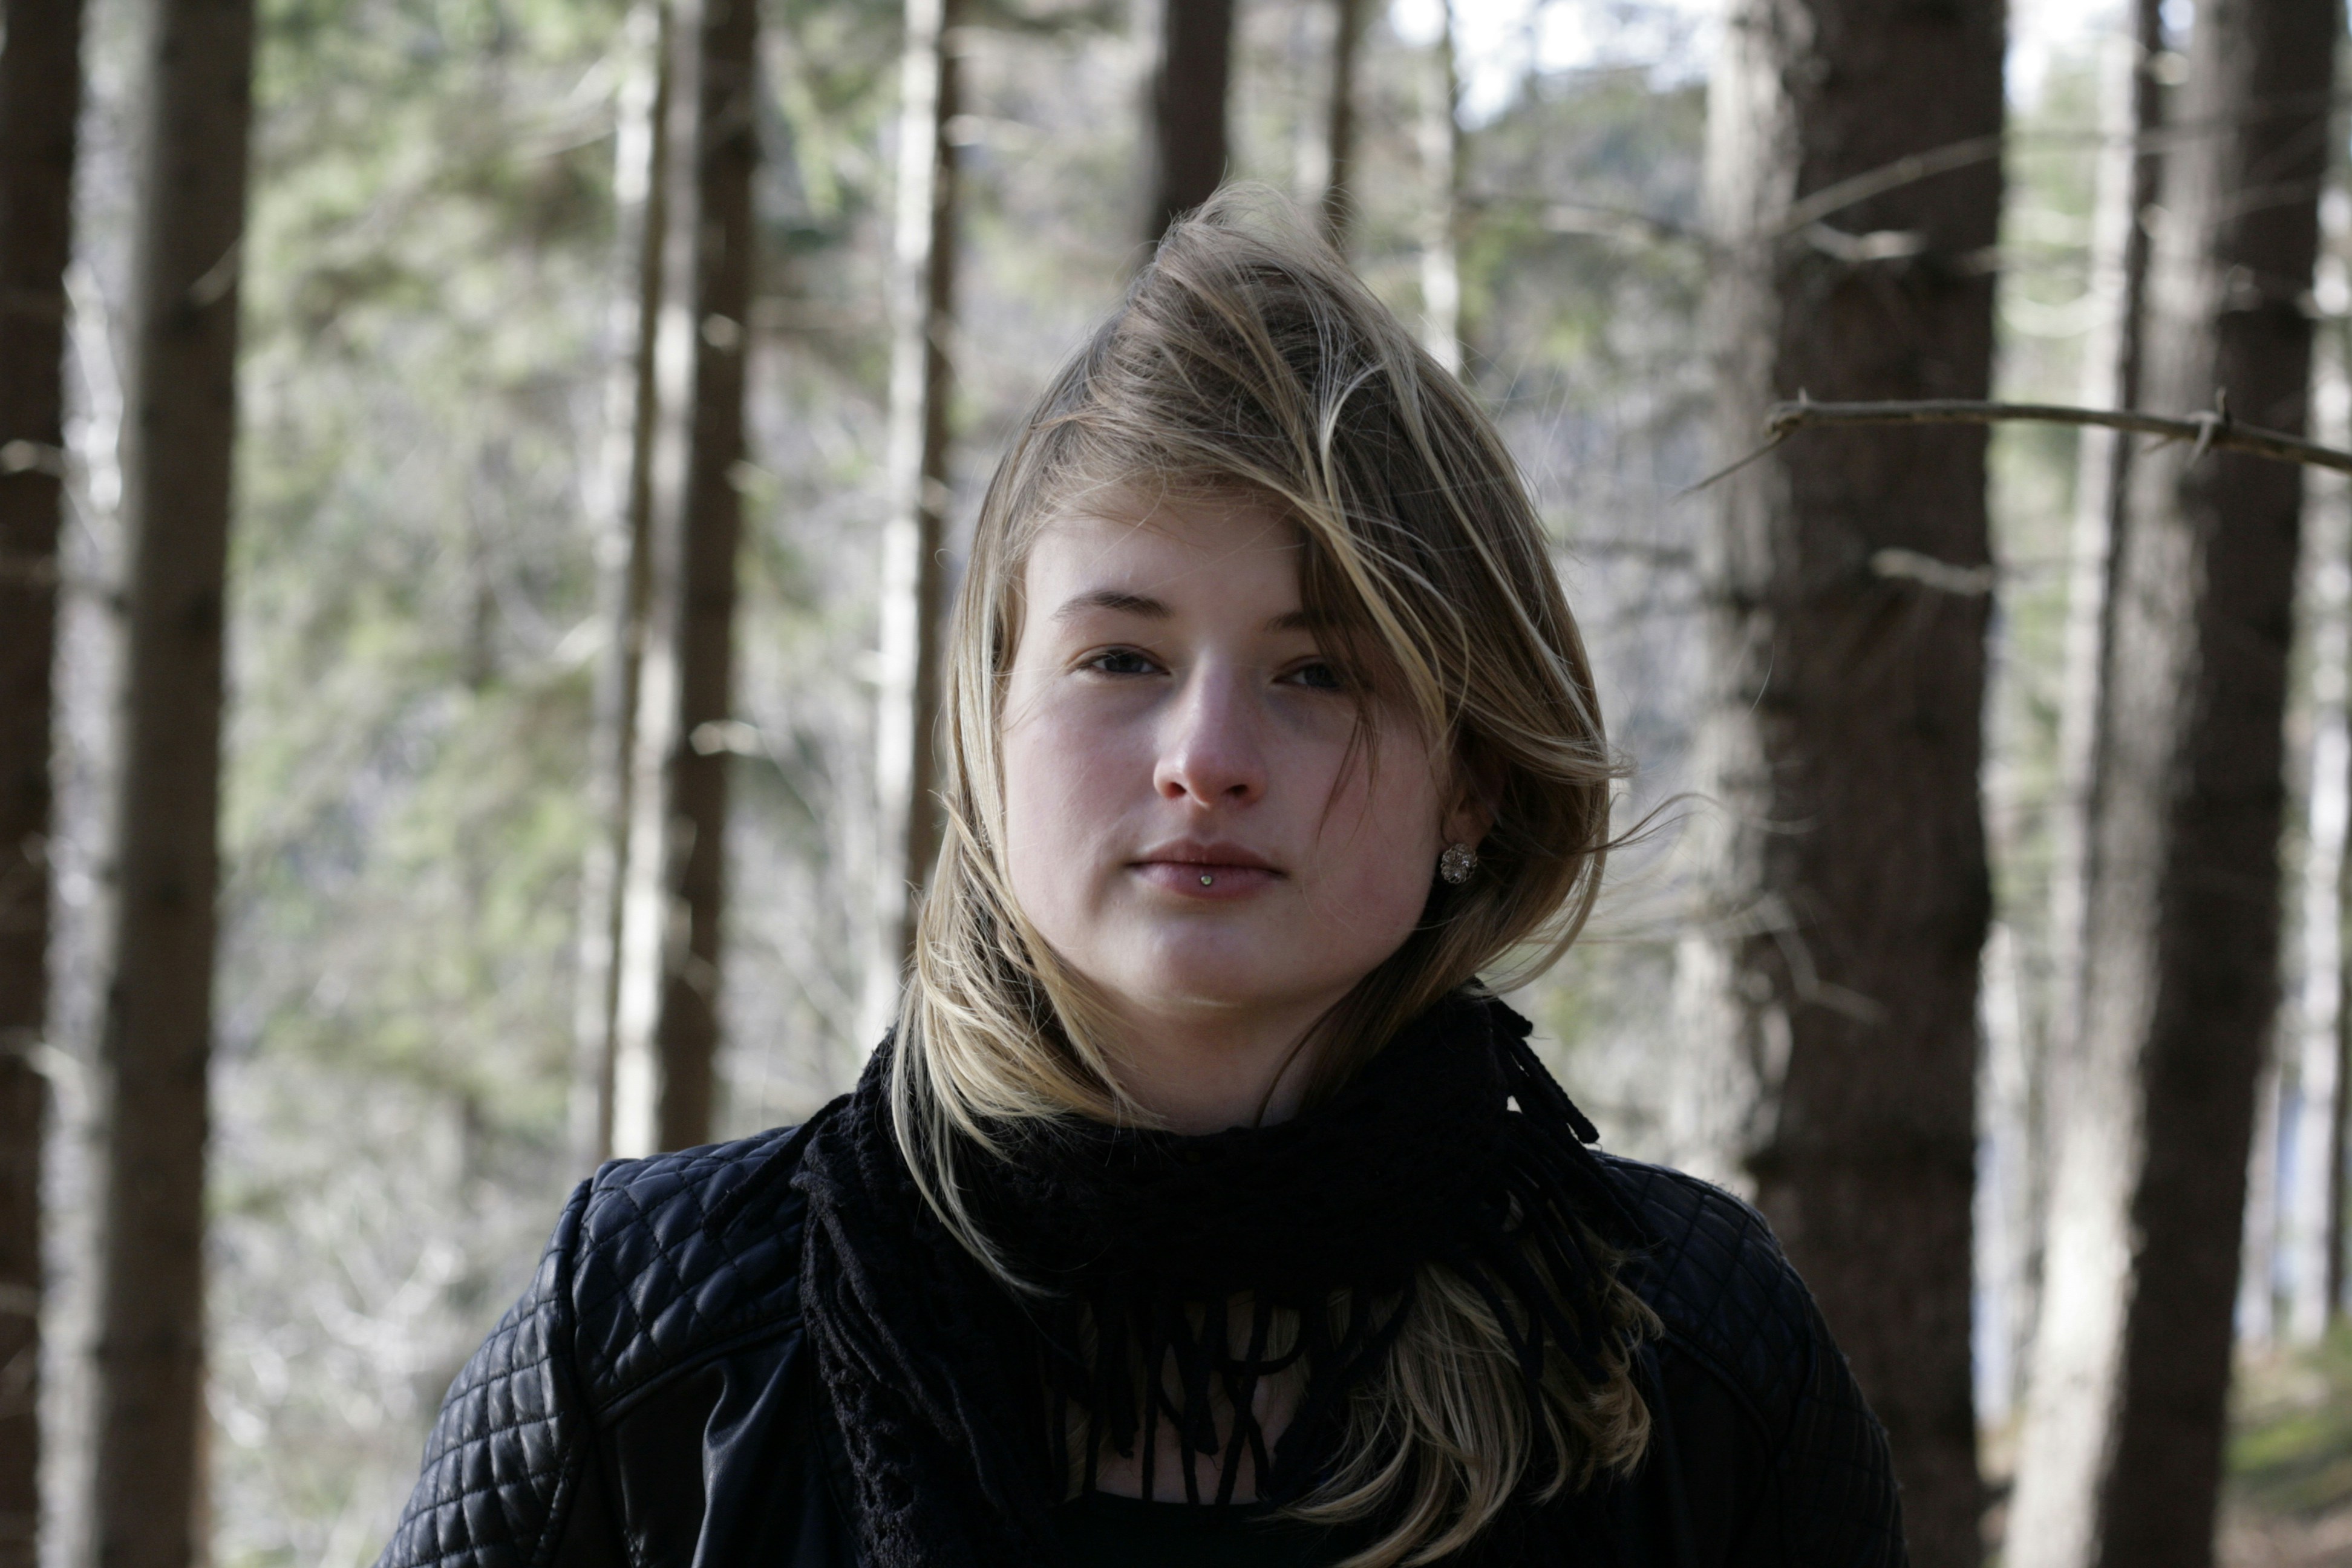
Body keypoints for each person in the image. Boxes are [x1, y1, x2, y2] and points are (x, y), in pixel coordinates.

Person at [376, 189, 1904, 1568]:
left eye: (1319, 672)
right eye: (1121, 657)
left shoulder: (1685, 1353)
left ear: (1476, 776)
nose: (1207, 758)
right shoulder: (653, 1335)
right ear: (991, 724)